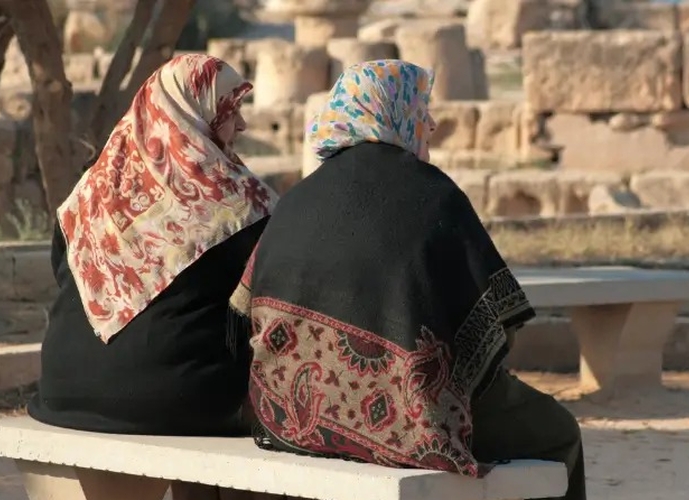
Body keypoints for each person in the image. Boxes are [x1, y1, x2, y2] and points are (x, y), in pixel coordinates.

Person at [228, 60, 586, 499]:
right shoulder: (433, 193)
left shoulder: (296, 198)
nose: (432, 123)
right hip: (413, 421)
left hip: (286, 418)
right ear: (393, 112)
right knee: (560, 433)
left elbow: (243, 311)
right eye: (421, 109)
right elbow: (499, 322)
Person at [28, 54, 279, 436]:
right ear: (190, 112)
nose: (242, 124)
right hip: (175, 399)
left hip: (62, 390)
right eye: (229, 109)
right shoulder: (237, 204)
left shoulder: (87, 193)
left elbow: (62, 271)